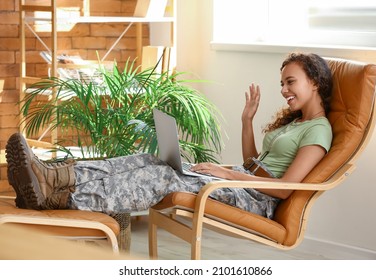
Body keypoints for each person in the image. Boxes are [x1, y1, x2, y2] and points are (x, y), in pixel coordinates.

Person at [5, 52, 333, 220]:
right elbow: (254, 164)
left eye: (290, 82)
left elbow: (287, 190)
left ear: (315, 82)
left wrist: (224, 172)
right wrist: (247, 122)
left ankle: (59, 198)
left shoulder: (318, 129)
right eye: (283, 83)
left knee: (163, 177)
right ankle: (53, 176)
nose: (284, 90)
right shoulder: (295, 123)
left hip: (254, 201)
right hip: (242, 182)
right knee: (153, 158)